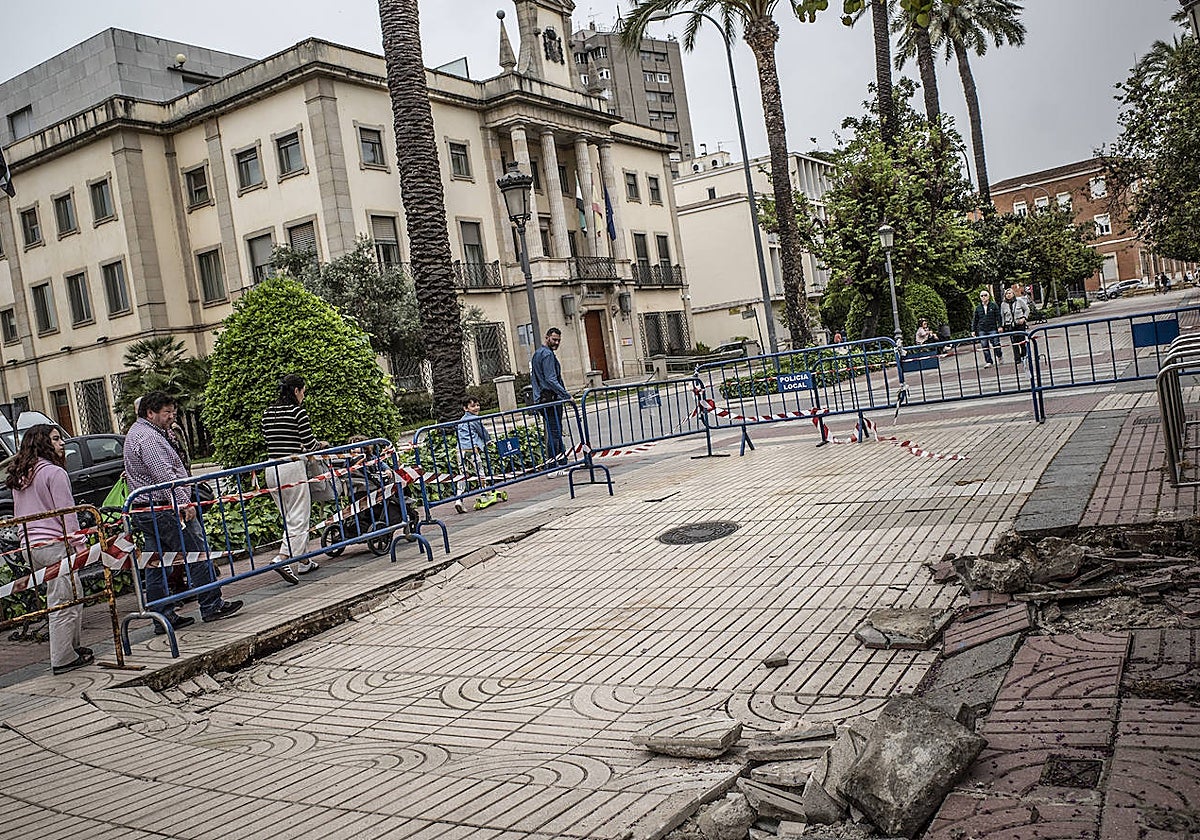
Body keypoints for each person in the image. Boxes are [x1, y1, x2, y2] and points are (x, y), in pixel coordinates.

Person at [125, 391, 242, 633]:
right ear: (150, 413)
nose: (171, 417)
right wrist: (184, 503)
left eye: (173, 412)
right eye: (166, 412)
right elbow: (164, 476)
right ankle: (211, 605)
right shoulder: (148, 438)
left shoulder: (146, 432)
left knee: (157, 562)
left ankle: (162, 616)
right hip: (164, 509)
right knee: (196, 552)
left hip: (149, 509)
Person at [6, 425, 92, 675]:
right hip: (54, 544)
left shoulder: (21, 476)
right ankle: (63, 657)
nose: (62, 443)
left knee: (69, 594)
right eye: (56, 439)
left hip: (30, 546)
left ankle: (73, 648)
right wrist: (80, 546)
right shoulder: (54, 473)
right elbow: (67, 514)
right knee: (65, 599)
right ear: (43, 444)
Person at [262, 374, 322, 584]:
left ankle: (304, 561)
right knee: (298, 516)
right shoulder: (298, 412)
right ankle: (283, 558)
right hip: (291, 466)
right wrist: (320, 446)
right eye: (303, 391)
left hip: (271, 468)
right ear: (296, 391)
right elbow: (308, 442)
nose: (304, 396)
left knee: (289, 515)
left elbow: (269, 439)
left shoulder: (268, 413)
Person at [531, 327, 570, 466]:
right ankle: (554, 464)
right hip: (551, 398)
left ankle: (561, 460)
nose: (557, 343)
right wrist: (566, 396)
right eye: (554, 339)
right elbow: (551, 379)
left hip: (543, 398)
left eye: (559, 340)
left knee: (555, 430)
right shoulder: (547, 354)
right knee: (555, 432)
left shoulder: (538, 354)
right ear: (547, 337)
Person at [454, 397, 491, 514]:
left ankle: (458, 499)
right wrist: (488, 441)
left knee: (463, 475)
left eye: (477, 405)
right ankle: (484, 494)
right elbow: (482, 432)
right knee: (480, 471)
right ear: (465, 408)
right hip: (471, 450)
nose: (476, 408)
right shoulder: (475, 419)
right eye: (473, 406)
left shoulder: (461, 420)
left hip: (460, 450)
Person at [971, 290, 1003, 368]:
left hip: (992, 328)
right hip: (982, 329)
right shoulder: (978, 308)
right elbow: (975, 319)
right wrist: (973, 330)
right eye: (981, 296)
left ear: (988, 296)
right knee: (984, 345)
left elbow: (998, 316)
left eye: (985, 295)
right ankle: (989, 361)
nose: (983, 297)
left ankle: (999, 355)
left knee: (996, 343)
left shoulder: (993, 305)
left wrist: (1000, 326)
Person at [1001, 288, 1030, 363]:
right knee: (1014, 342)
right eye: (1007, 294)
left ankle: (1024, 355)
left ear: (1013, 294)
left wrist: (1024, 318)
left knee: (1022, 341)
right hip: (1010, 325)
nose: (1008, 295)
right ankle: (1017, 358)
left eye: (1010, 293)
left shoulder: (1019, 301)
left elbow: (1027, 309)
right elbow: (1002, 316)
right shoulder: (1003, 304)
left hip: (1019, 324)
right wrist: (1002, 326)